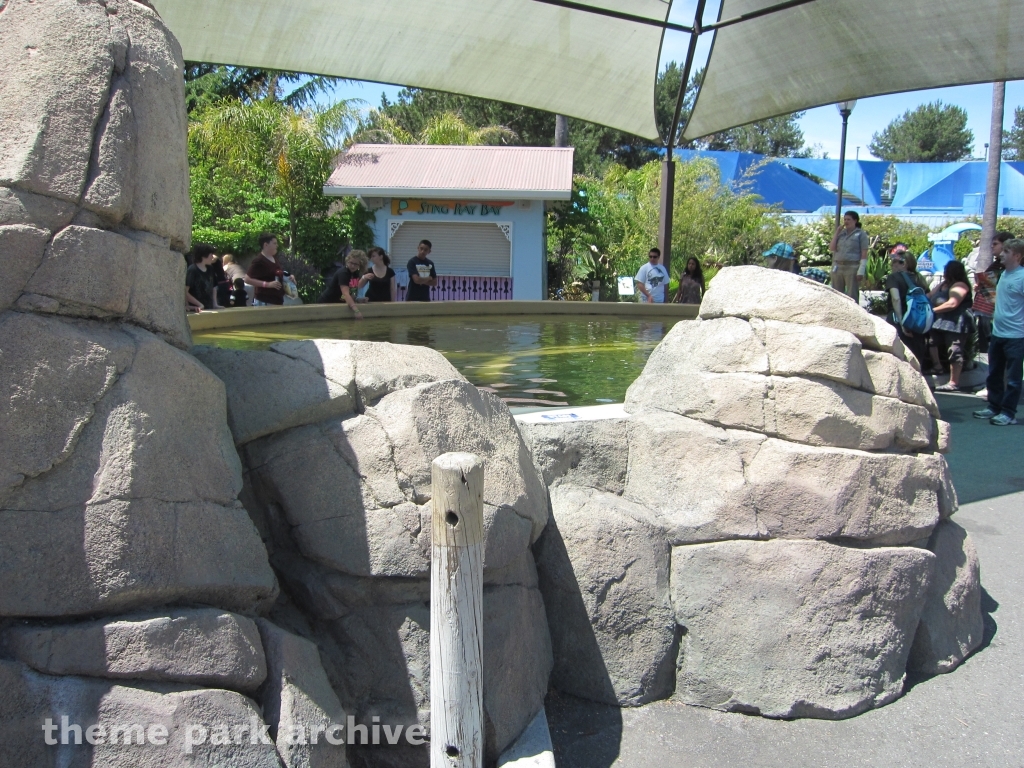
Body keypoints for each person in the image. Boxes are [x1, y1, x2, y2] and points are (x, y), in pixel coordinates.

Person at [974, 238, 1024, 426]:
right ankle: (994, 407)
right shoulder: (1002, 274)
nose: (1001, 254)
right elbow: (998, 301)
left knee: (1013, 379)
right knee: (994, 373)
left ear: (1017, 256)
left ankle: (1009, 413)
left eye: (1006, 252)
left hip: (1016, 336)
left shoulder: (1022, 277)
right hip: (998, 333)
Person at [927, 259, 973, 391]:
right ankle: (937, 367)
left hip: (956, 322)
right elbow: (930, 295)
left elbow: (953, 303)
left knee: (954, 350)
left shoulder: (960, 285)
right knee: (932, 342)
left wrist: (933, 310)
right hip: (940, 321)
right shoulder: (943, 284)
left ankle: (954, 382)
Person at [884, 245, 930, 365]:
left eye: (894, 262)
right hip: (918, 321)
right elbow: (928, 297)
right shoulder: (920, 278)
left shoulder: (893, 278)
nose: (892, 265)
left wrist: (901, 322)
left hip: (900, 321)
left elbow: (896, 299)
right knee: (917, 355)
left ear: (903, 264)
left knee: (900, 357)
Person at [973, 231, 1014, 352]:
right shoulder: (997, 264)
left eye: (995, 244)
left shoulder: (1012, 267)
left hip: (1002, 318)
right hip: (987, 313)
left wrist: (986, 284)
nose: (992, 246)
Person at [828, 211, 870, 301]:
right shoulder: (841, 233)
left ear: (855, 220)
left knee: (852, 294)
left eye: (849, 219)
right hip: (838, 266)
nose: (846, 222)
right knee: (836, 293)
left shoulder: (861, 234)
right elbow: (832, 248)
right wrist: (837, 233)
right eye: (845, 219)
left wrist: (861, 270)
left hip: (852, 266)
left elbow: (864, 253)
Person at [319, 249, 369, 319]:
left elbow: (352, 291)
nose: (352, 266)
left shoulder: (355, 274)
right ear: (347, 261)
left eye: (356, 264)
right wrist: (356, 311)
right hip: (327, 302)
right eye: (351, 263)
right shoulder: (343, 273)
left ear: (360, 265)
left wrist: (358, 300)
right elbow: (346, 294)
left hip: (338, 302)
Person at [244, 233, 285, 306]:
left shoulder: (274, 259)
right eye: (274, 243)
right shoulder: (259, 261)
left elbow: (277, 274)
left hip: (277, 300)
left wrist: (289, 277)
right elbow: (247, 279)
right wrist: (267, 284)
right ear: (266, 245)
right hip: (264, 301)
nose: (277, 246)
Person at [185, 244, 220, 311]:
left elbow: (214, 287)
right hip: (196, 310)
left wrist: (215, 304)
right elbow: (185, 292)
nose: (212, 257)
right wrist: (199, 304)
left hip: (209, 308)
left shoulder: (210, 269)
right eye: (211, 254)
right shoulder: (192, 270)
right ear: (204, 255)